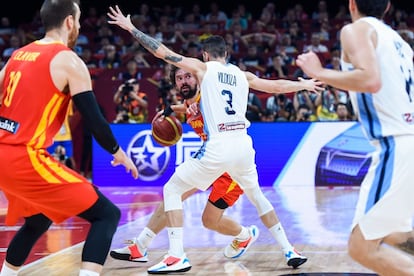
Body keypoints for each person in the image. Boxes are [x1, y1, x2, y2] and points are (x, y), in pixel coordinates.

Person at [108, 5, 323, 274]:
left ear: (206, 54)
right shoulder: (242, 75)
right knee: (257, 198)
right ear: (227, 55)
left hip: (219, 146)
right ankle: (289, 249)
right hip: (243, 145)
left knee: (172, 189)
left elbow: (161, 52)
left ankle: (176, 256)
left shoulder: (203, 69)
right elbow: (276, 86)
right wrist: (303, 85)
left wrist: (131, 28)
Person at [0, 1, 138, 276]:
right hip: (24, 155)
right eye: (79, 19)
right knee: (107, 214)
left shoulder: (18, 54)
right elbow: (94, 118)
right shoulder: (68, 60)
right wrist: (116, 151)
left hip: (2, 155)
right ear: (69, 22)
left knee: (38, 219)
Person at [296, 0, 414, 275]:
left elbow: (370, 80)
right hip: (407, 140)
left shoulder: (356, 29)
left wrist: (319, 72)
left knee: (362, 248)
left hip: (394, 145)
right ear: (386, 7)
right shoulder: (400, 42)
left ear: (351, 4)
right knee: (397, 236)